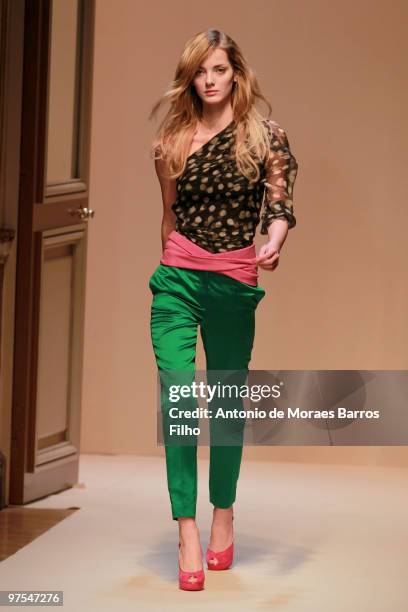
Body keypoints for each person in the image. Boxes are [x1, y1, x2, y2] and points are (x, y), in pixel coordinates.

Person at [148, 28, 298, 591]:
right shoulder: (172, 140)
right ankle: (186, 527)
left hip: (234, 283)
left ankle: (224, 512)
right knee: (180, 398)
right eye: (199, 73)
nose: (209, 81)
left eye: (218, 70)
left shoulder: (265, 136)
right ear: (191, 80)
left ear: (236, 72)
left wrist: (275, 240)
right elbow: (167, 214)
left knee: (228, 403)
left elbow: (280, 204)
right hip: (177, 281)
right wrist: (170, 263)